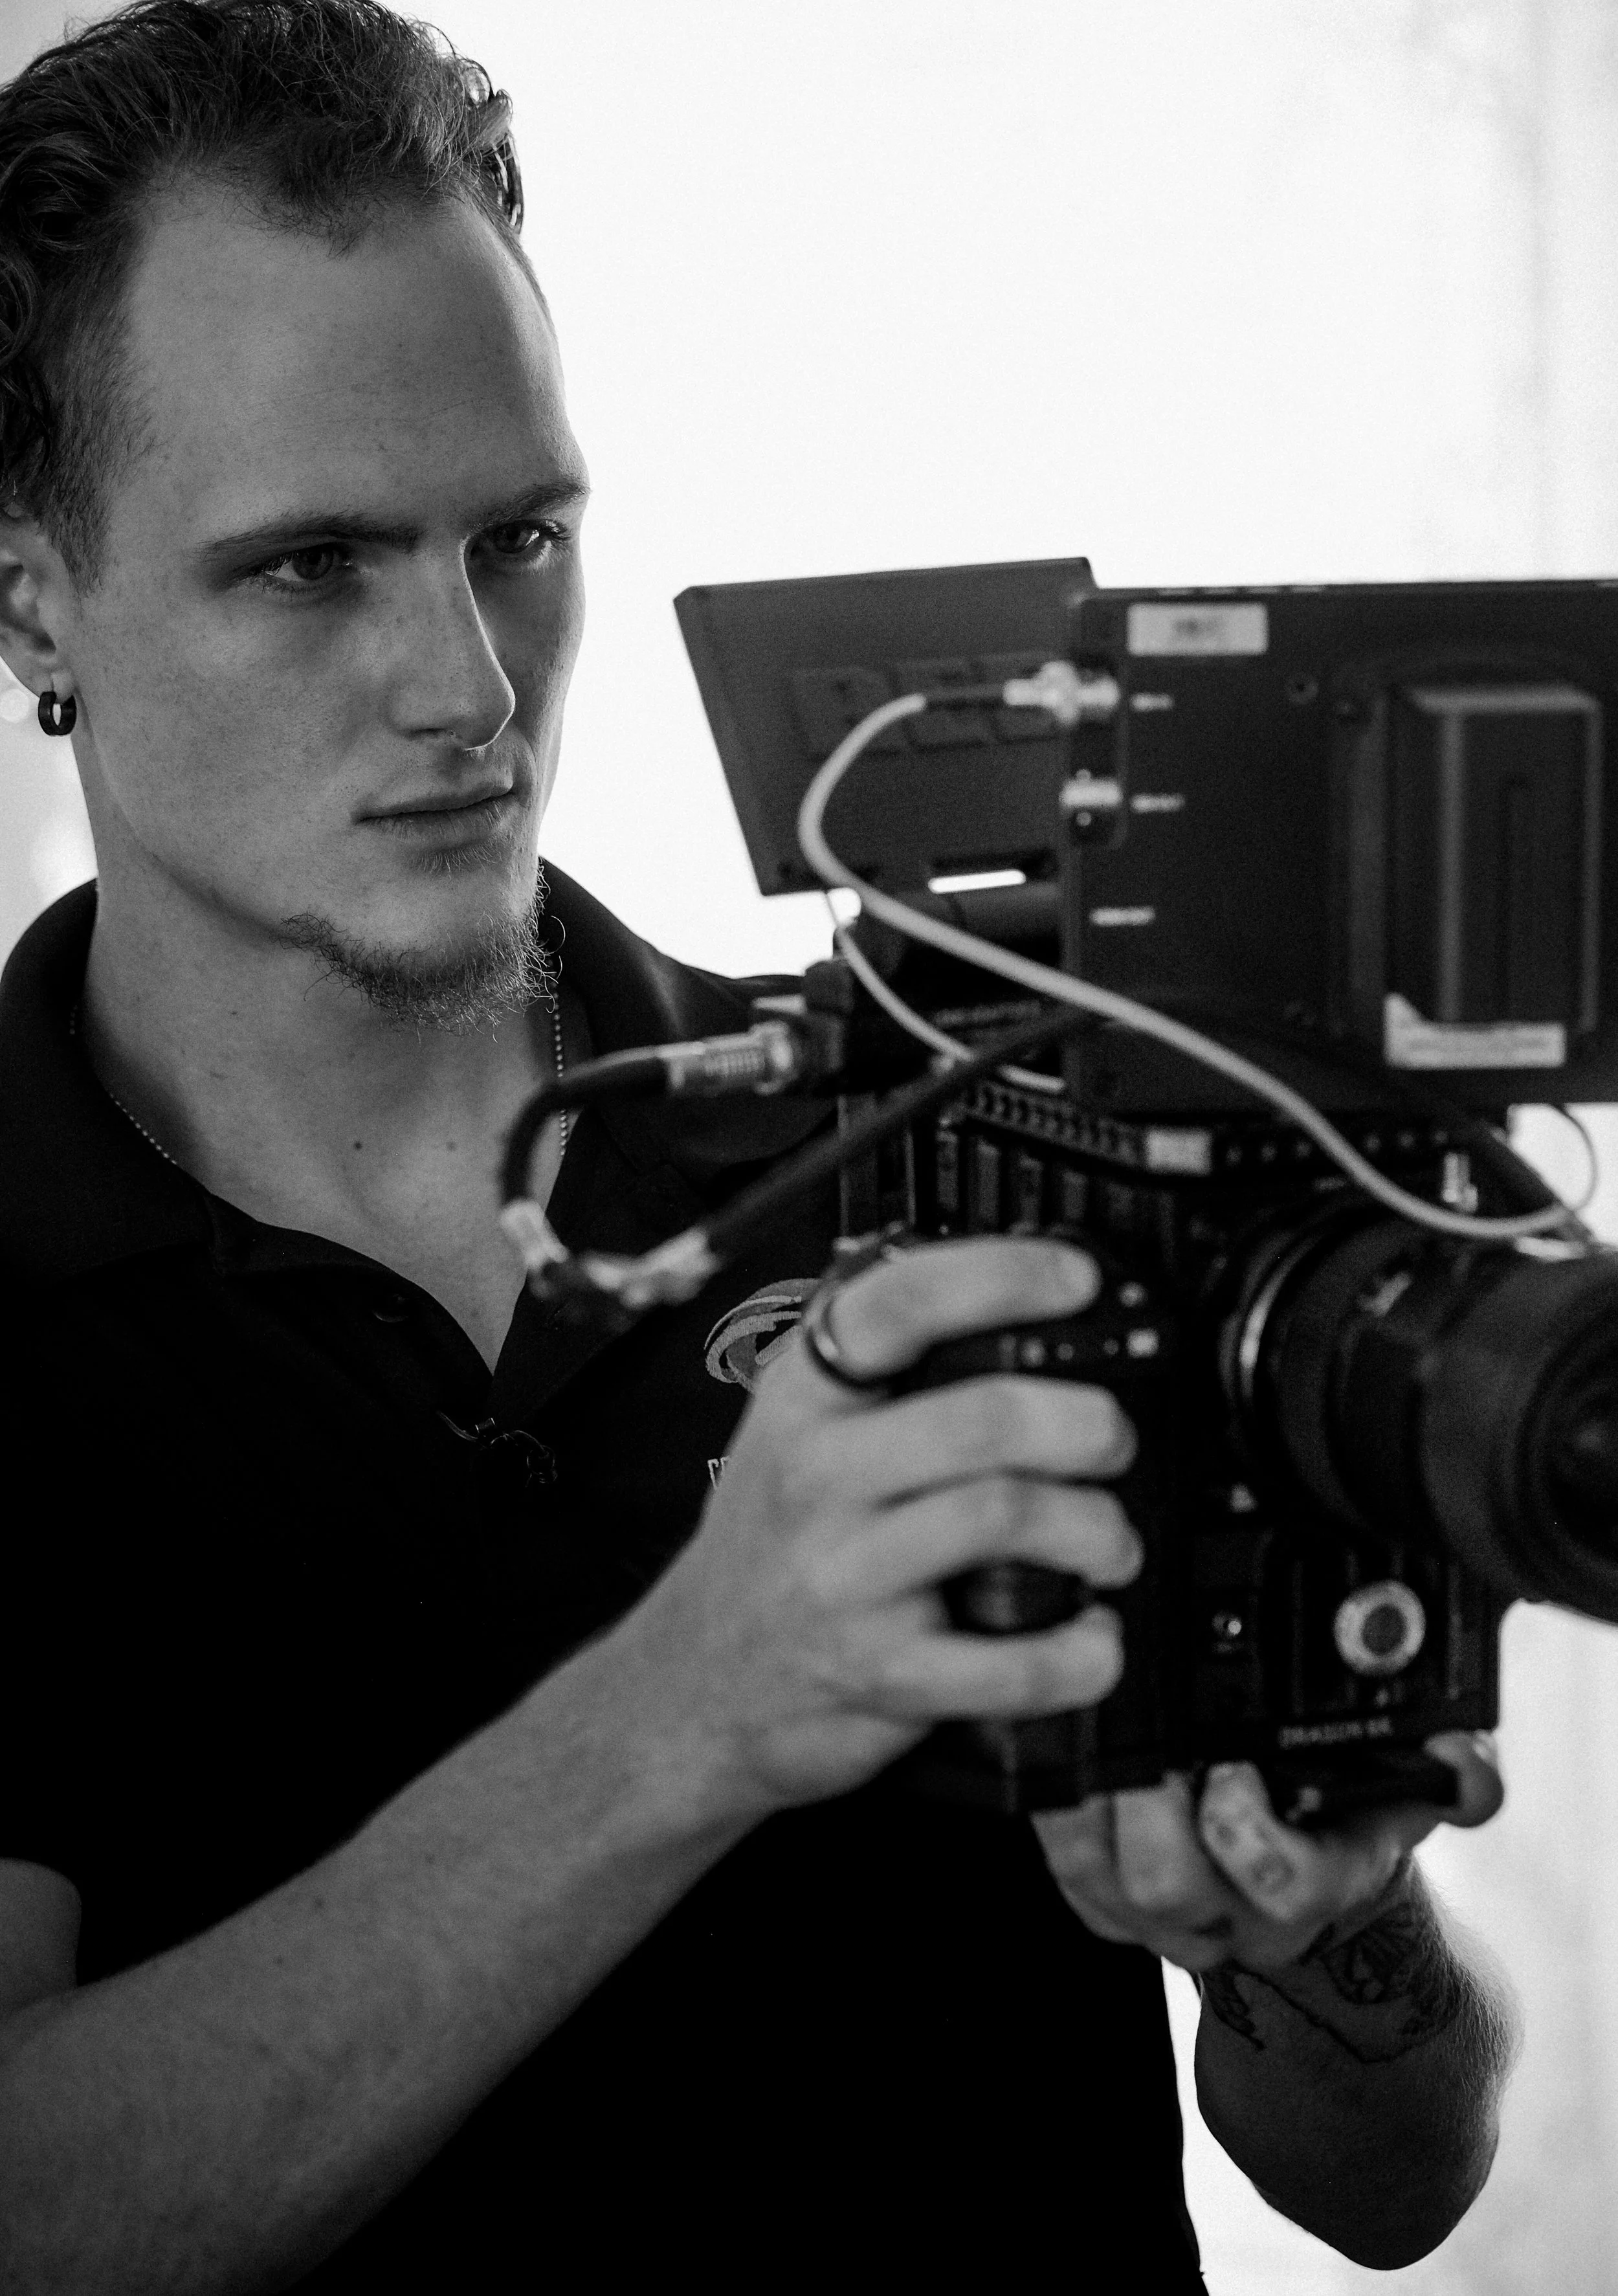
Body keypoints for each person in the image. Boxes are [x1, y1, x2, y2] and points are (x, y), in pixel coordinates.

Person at [0, 2, 1516, 2287]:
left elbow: (1396, 2183)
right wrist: (694, 1700)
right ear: (31, 591)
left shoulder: (945, 1132)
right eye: (311, 564)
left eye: (517, 536)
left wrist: (1329, 1919)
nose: (470, 691)